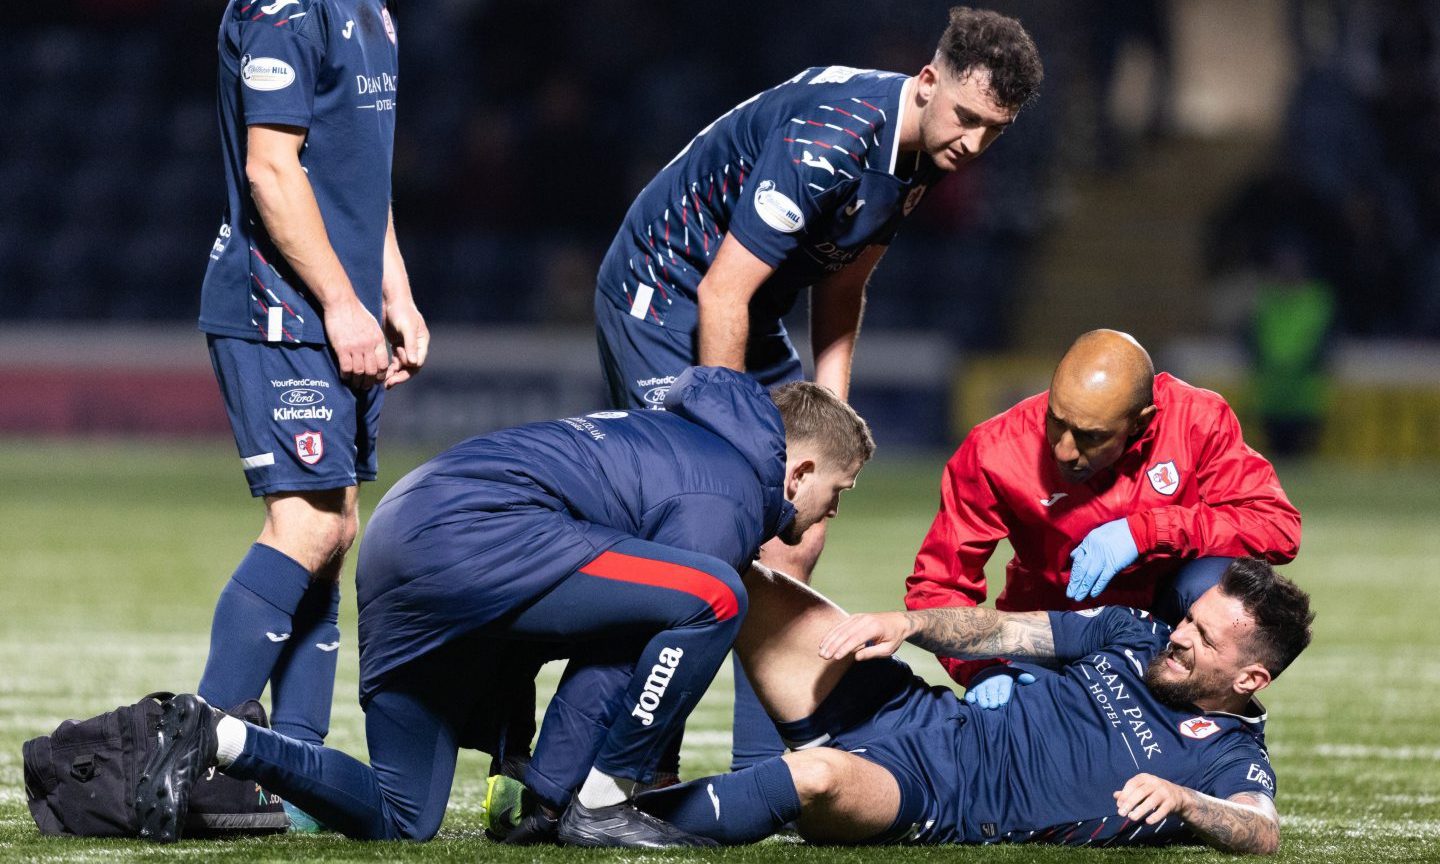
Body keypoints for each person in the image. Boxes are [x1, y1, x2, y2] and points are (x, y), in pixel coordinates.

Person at [134, 367, 876, 848]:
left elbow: (609, 625)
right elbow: (634, 644)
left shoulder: (683, 439)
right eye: (836, 493)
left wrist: (538, 793)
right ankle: (604, 798)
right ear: (801, 467)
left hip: (402, 534)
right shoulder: (729, 489)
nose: (829, 514)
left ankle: (222, 737)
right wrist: (565, 797)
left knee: (403, 817)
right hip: (470, 534)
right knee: (716, 594)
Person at [595, 3, 1042, 771]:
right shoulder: (834, 137)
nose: (973, 143)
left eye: (993, 130)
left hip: (751, 299)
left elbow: (842, 286)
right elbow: (721, 297)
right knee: (710, 522)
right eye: (967, 117)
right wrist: (734, 450)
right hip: (666, 291)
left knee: (799, 529)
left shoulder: (923, 152)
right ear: (928, 81)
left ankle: (762, 771)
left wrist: (829, 430)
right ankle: (630, 769)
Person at [633, 556, 1312, 855]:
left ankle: (619, 820)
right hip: (920, 713)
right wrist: (909, 625)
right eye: (1188, 618)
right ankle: (604, 757)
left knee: (818, 777)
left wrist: (1189, 802)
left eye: (1203, 636)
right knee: (743, 580)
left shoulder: (1226, 756)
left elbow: (1263, 831)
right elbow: (1003, 630)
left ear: (1250, 678)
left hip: (935, 794)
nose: (1180, 634)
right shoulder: (1134, 631)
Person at [192, 0, 428, 830]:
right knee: (307, 529)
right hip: (275, 306)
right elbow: (272, 170)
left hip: (335, 306)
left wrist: (391, 292)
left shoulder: (375, 13)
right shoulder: (282, 11)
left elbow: (362, 176)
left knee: (333, 533)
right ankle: (191, 759)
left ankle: (296, 770)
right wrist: (341, 302)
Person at [905, 329, 1301, 705]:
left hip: (1167, 628)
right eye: (1055, 421)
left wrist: (1146, 531)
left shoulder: (1195, 420)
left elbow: (1277, 527)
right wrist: (980, 667)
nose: (1063, 449)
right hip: (1051, 631)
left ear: (1141, 422)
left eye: (1089, 436)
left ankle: (1202, 721)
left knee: (1216, 583)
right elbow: (938, 583)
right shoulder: (995, 450)